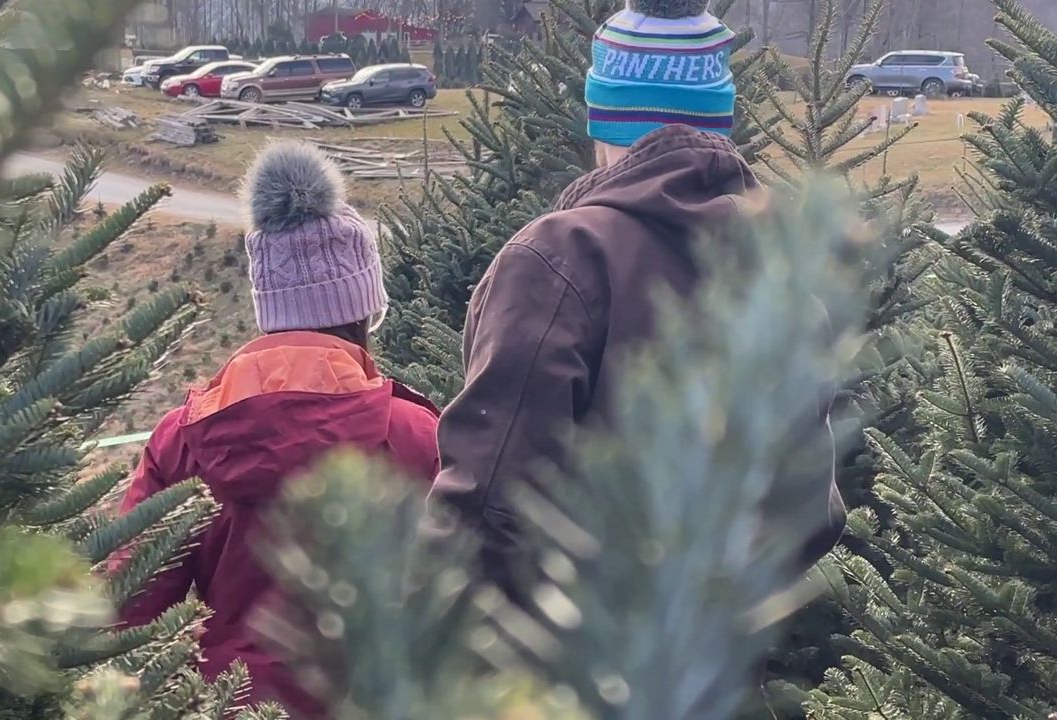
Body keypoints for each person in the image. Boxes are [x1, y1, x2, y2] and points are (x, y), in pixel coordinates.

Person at [428, 0, 846, 604]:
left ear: (605, 115)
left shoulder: (560, 256)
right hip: (712, 652)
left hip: (563, 651)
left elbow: (491, 502)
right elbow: (806, 511)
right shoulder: (781, 267)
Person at [108, 141, 440, 718]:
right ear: (364, 311)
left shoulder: (182, 438)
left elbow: (127, 609)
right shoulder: (416, 435)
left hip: (225, 705)